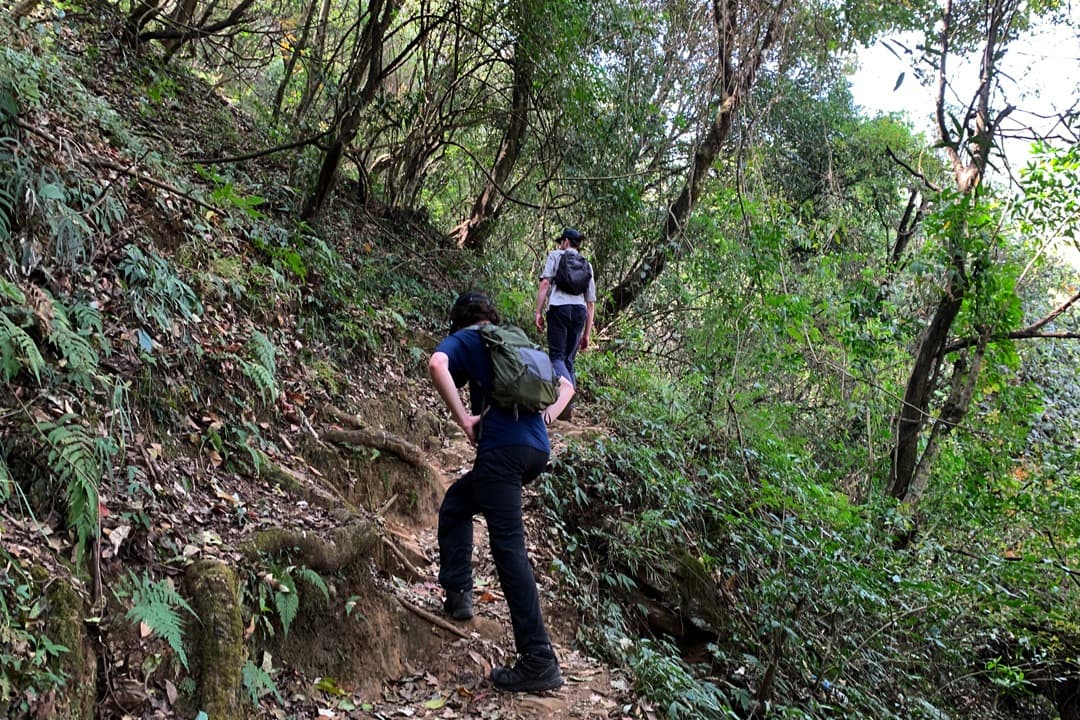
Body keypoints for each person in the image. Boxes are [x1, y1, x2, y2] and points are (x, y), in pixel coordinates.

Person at [428, 291, 574, 693]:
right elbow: (565, 385)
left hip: (502, 454)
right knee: (457, 504)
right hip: (535, 450)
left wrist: (465, 421)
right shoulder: (513, 338)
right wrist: (548, 416)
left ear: (459, 321)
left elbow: (437, 364)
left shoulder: (468, 338)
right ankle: (459, 596)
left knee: (508, 550)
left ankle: (539, 659)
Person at [534, 227, 596, 419]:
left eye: (561, 241)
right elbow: (590, 302)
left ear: (566, 242)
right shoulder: (587, 264)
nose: (560, 244)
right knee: (568, 360)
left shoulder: (556, 256)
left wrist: (538, 312)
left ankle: (562, 401)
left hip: (559, 309)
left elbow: (545, 284)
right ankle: (566, 412)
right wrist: (587, 334)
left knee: (557, 358)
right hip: (579, 312)